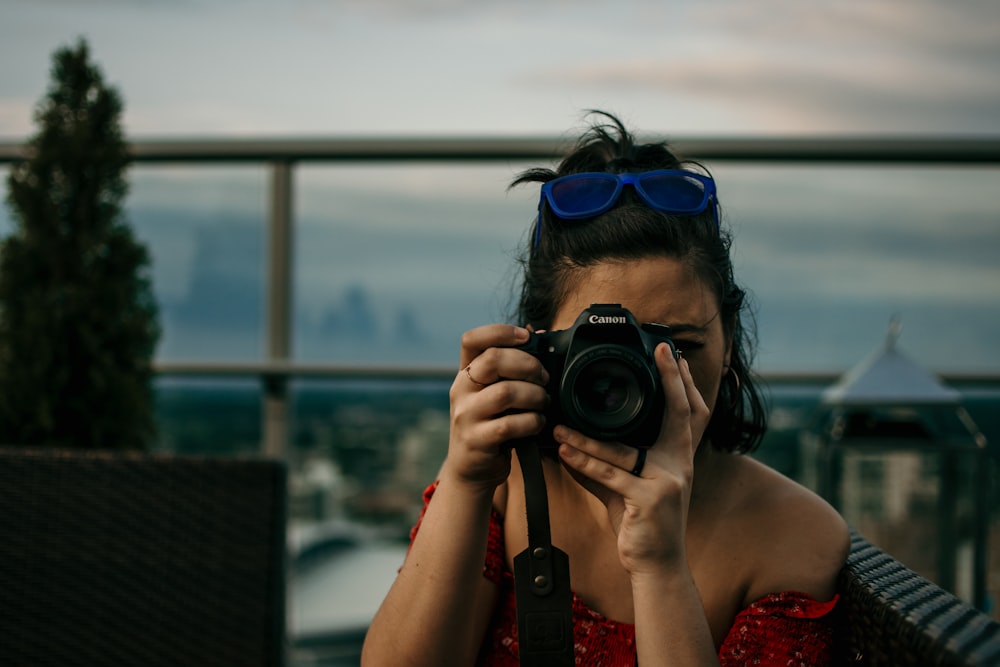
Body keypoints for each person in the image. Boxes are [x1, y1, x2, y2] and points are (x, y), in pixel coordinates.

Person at [362, 112, 849, 666]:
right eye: (604, 356)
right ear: (538, 345)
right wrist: (465, 479)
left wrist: (661, 565)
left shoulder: (794, 536)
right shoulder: (504, 487)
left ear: (730, 340)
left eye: (678, 346)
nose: (648, 379)